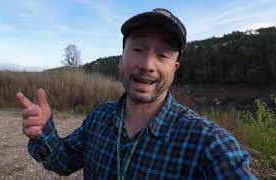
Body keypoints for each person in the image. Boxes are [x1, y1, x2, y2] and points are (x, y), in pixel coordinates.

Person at [16, 8, 256, 179]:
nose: (148, 64)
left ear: (175, 68)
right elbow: (64, 161)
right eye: (139, 49)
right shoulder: (99, 117)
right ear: (122, 59)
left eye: (163, 55)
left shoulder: (209, 143)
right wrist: (44, 131)